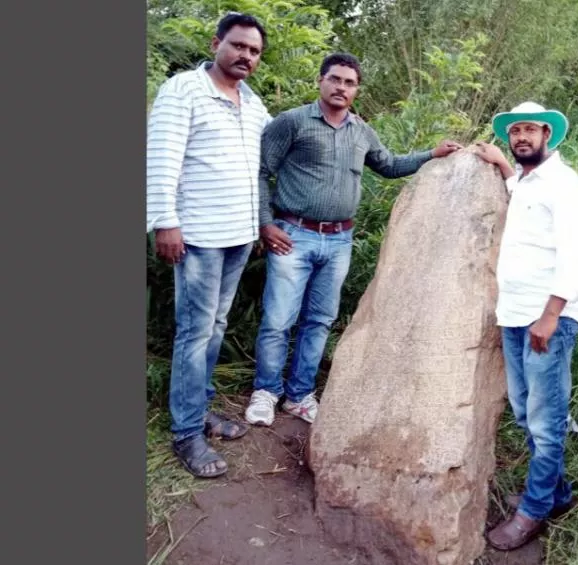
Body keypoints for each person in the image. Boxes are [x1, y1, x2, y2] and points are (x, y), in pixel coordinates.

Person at [244, 52, 462, 427]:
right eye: (335, 79)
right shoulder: (292, 123)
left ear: (356, 89)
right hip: (292, 236)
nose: (341, 87)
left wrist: (433, 154)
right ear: (321, 81)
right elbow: (261, 172)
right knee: (279, 319)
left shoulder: (361, 131)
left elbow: (389, 165)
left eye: (349, 82)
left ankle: (299, 396)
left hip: (339, 240)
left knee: (319, 321)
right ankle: (266, 392)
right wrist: (266, 224)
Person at [146, 12, 272, 478]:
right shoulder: (183, 90)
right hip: (196, 236)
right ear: (217, 42)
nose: (246, 56)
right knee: (195, 332)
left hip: (238, 235)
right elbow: (161, 158)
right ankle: (185, 434)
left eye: (255, 51)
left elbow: (267, 160)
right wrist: (165, 222)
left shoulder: (253, 104)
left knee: (214, 326)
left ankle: (199, 412)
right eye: (239, 45)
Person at [472, 101, 578, 550]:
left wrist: (552, 313)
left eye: (529, 130)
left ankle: (533, 511)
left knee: (545, 421)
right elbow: (518, 190)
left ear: (547, 133)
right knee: (525, 411)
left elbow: (576, 254)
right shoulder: (524, 180)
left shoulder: (564, 183)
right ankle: (559, 494)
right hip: (514, 314)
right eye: (514, 131)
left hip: (547, 320)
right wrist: (503, 165)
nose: (520, 137)